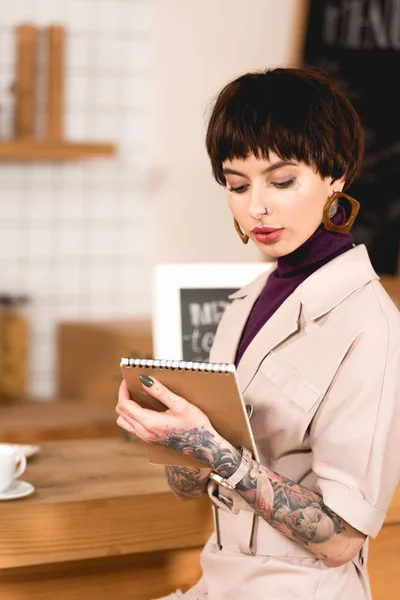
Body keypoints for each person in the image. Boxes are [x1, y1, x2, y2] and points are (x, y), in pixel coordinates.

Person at [115, 66, 400, 599]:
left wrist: (216, 453)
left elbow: (341, 540)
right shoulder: (247, 301)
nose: (256, 207)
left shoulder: (372, 327)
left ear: (335, 174)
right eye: (237, 184)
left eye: (282, 180)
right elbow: (189, 487)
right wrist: (170, 435)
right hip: (219, 580)